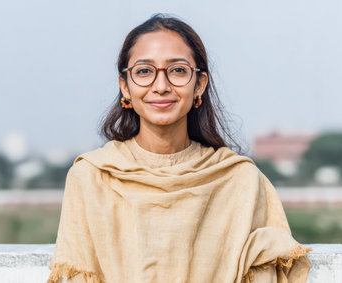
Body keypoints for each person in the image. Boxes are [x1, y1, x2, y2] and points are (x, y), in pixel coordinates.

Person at [48, 14, 311, 283]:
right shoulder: (92, 176)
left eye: (177, 71)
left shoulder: (240, 180)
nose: (161, 86)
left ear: (199, 84)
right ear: (124, 87)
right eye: (144, 72)